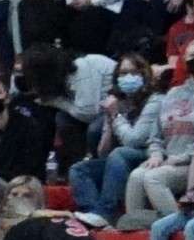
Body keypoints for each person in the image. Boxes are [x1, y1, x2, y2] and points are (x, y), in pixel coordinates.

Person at [121, 38, 194, 231]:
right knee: (136, 176)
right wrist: (156, 154)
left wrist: (178, 159)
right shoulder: (173, 93)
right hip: (167, 160)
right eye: (192, 55)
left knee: (153, 178)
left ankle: (184, 226)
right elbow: (155, 136)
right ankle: (138, 233)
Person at [68, 53, 161, 223]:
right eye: (123, 74)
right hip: (120, 160)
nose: (128, 77)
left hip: (148, 154)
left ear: (144, 75)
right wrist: (109, 124)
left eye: (134, 73)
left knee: (120, 153)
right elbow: (103, 153)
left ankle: (105, 213)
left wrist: (116, 115)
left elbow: (135, 140)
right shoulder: (117, 102)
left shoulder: (154, 100)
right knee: (79, 170)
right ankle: (93, 213)